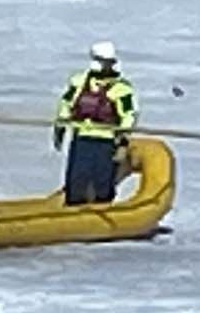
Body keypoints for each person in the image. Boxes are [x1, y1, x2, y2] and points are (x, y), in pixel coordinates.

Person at [53, 40, 138, 205]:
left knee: (103, 182)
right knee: (77, 178)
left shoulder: (121, 89)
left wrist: (122, 143)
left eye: (108, 62)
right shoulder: (78, 82)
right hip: (82, 139)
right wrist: (60, 126)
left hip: (105, 141)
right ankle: (73, 208)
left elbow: (128, 116)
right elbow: (67, 103)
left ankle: (103, 208)